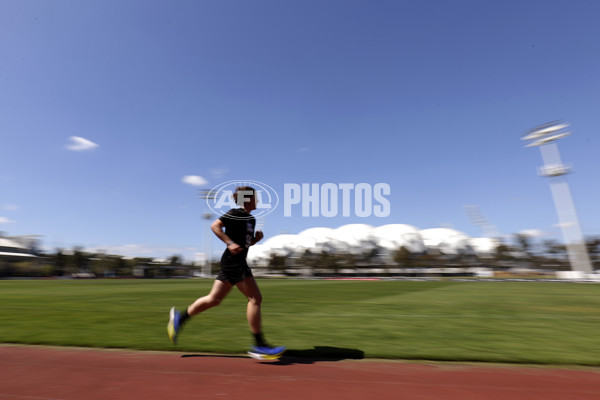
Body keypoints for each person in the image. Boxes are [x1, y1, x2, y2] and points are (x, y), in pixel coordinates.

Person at [167, 186, 284, 358]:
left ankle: (179, 319)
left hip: (234, 262)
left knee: (214, 299)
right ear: (247, 199)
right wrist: (229, 243)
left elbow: (244, 243)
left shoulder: (251, 219)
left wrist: (255, 240)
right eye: (255, 197)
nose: (258, 200)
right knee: (255, 298)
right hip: (234, 262)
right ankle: (259, 345)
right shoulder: (235, 213)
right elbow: (215, 226)